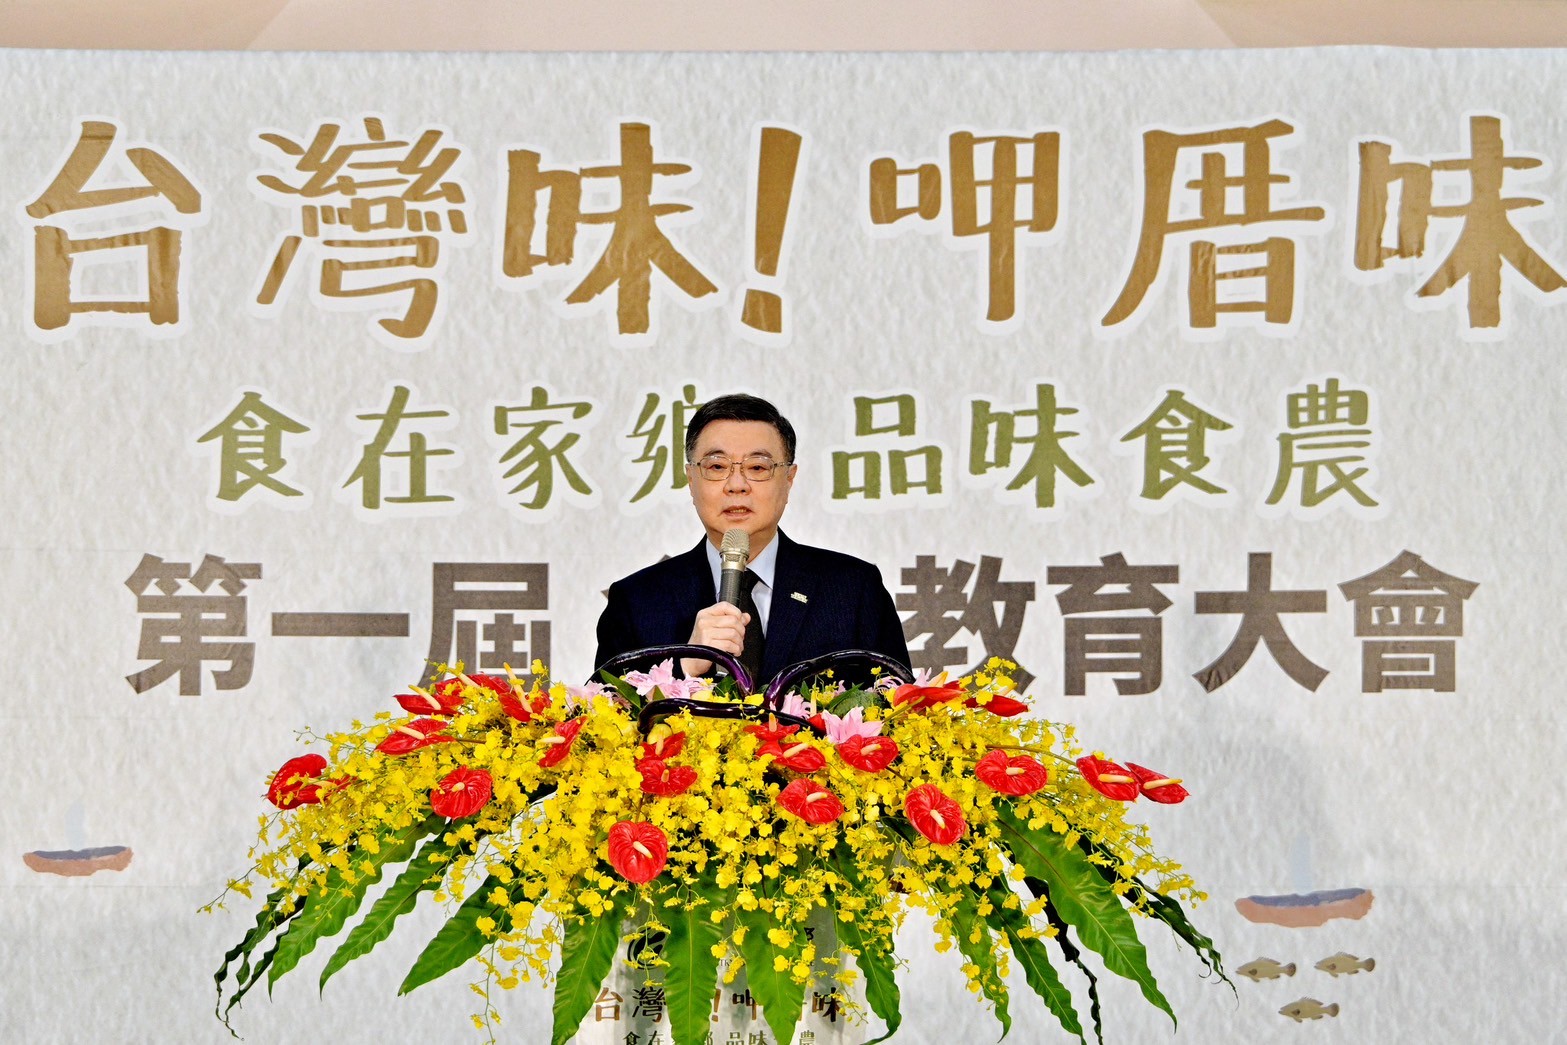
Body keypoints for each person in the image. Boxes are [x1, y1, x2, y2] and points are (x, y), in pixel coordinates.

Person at [594, 394, 911, 685]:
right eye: (717, 466)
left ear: (789, 480)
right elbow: (605, 718)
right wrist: (685, 666)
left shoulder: (854, 590)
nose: (737, 485)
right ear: (691, 480)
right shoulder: (637, 601)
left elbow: (898, 712)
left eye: (758, 467)